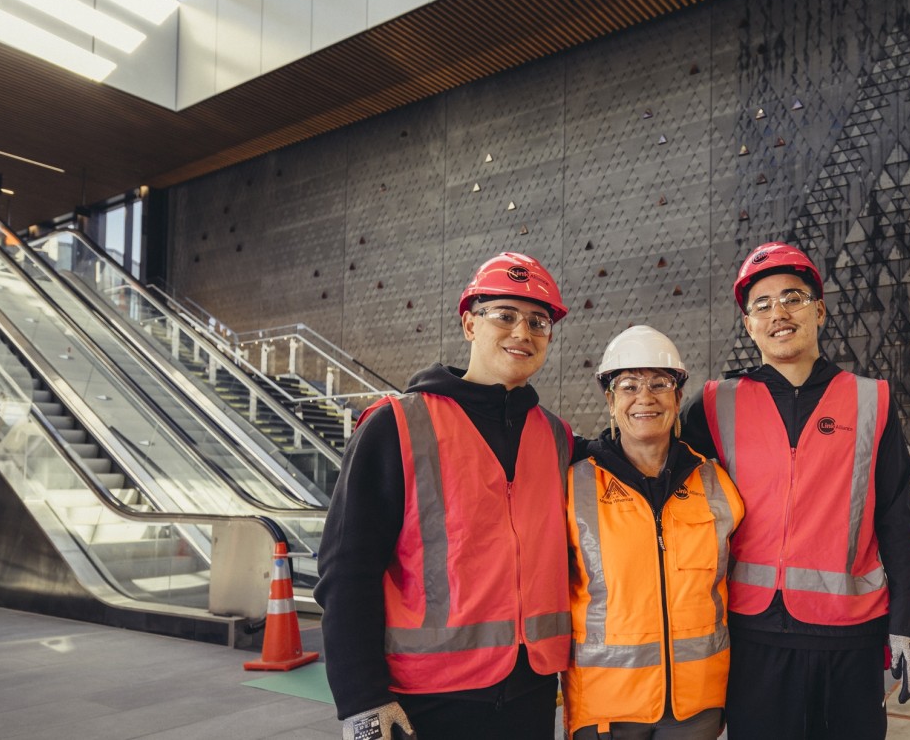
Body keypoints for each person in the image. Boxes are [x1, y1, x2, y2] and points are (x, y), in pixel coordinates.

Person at [316, 252, 575, 740]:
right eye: (505, 315)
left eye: (538, 322)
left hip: (530, 692)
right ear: (469, 324)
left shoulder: (558, 439)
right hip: (425, 701)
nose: (523, 332)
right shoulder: (396, 425)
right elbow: (347, 569)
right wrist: (362, 697)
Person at [680, 242, 910, 740]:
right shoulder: (713, 404)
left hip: (850, 636)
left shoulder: (870, 400)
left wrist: (907, 621)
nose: (778, 314)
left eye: (791, 297)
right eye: (762, 305)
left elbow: (896, 517)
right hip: (754, 636)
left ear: (819, 310)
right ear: (748, 324)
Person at [564, 326, 745, 740]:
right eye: (628, 386)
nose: (645, 397)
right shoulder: (575, 485)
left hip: (696, 707)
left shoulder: (715, 481)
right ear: (610, 401)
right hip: (606, 708)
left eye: (660, 384)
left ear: (678, 398)